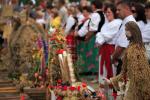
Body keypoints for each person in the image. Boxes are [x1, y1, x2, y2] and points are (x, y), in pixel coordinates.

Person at [105, 21, 150, 100]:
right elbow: (126, 72)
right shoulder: (134, 47)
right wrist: (112, 81)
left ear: (132, 31)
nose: (125, 32)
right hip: (132, 87)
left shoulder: (135, 50)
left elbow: (136, 74)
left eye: (126, 30)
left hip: (134, 90)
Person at [96, 3, 122, 99]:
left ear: (114, 12)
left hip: (111, 50)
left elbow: (107, 36)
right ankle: (103, 96)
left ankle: (112, 96)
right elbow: (99, 37)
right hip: (103, 50)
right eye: (106, 12)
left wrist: (101, 35)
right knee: (103, 73)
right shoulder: (105, 24)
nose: (107, 14)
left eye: (109, 12)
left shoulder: (118, 22)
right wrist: (101, 35)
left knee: (112, 73)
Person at [112, 1, 136, 75]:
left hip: (125, 63)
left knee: (121, 85)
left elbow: (121, 46)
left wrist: (113, 58)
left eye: (119, 10)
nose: (117, 12)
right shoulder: (126, 22)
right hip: (124, 61)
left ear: (126, 9)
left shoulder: (129, 23)